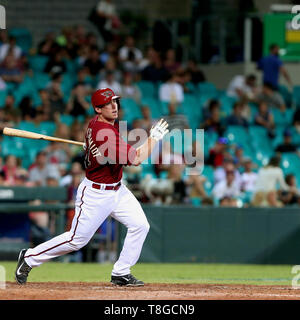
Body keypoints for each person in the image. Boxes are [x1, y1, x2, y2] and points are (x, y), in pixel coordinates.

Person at [15, 87, 169, 287]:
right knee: (76, 240)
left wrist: (95, 147)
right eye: (107, 104)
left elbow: (112, 150)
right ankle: (29, 257)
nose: (114, 106)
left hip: (117, 189)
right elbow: (137, 158)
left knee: (140, 225)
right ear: (98, 108)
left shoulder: (98, 126)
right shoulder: (103, 132)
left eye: (115, 102)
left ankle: (121, 272)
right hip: (96, 193)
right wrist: (153, 138)